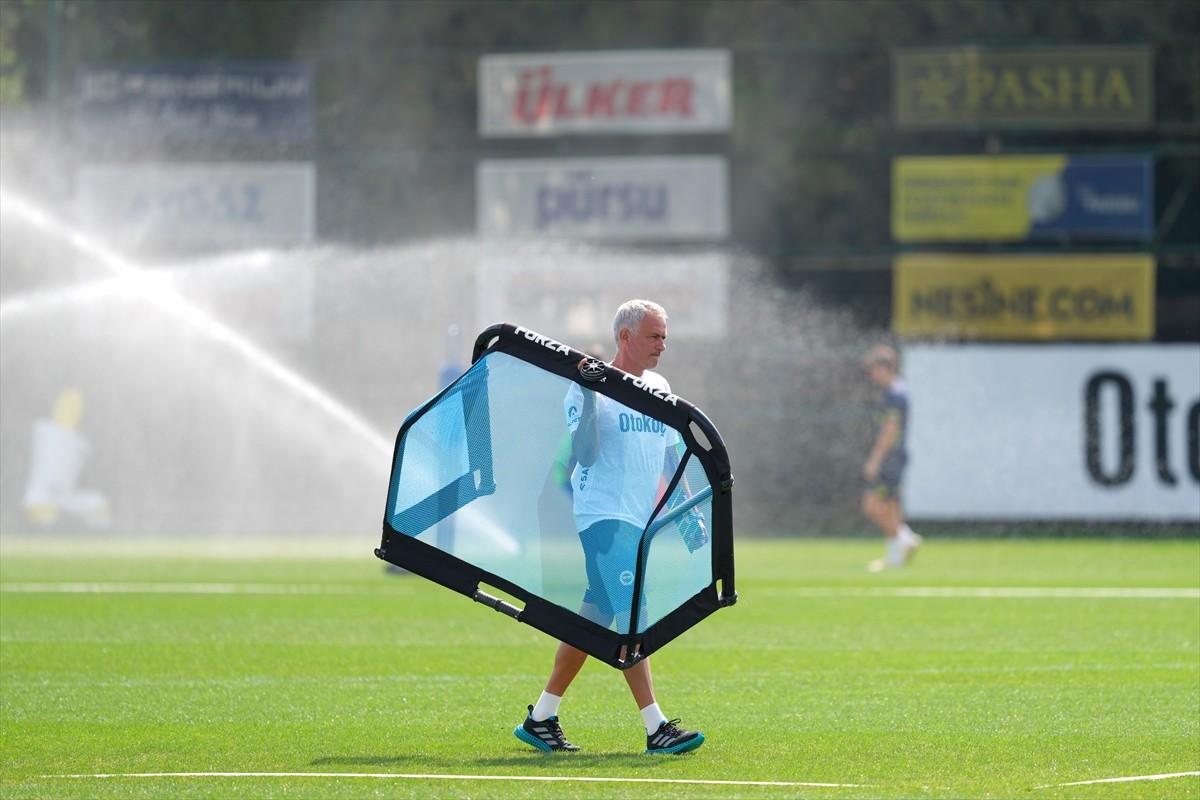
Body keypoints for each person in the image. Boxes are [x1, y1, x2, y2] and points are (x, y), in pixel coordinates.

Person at [515, 300, 705, 756]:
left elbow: (669, 454)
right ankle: (656, 727)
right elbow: (586, 454)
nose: (663, 344)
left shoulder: (659, 386)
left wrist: (687, 510)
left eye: (663, 335)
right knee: (632, 616)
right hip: (603, 517)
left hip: (638, 521)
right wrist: (588, 392)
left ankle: (541, 717)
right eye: (654, 336)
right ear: (626, 337)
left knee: (593, 620)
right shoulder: (587, 387)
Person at [861, 345, 921, 572]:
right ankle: (896, 556)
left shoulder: (895, 394)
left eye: (874, 369)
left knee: (871, 506)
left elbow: (889, 430)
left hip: (891, 459)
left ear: (886, 368)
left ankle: (906, 540)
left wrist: (875, 460)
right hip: (897, 457)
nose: (872, 375)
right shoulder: (897, 392)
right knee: (891, 508)